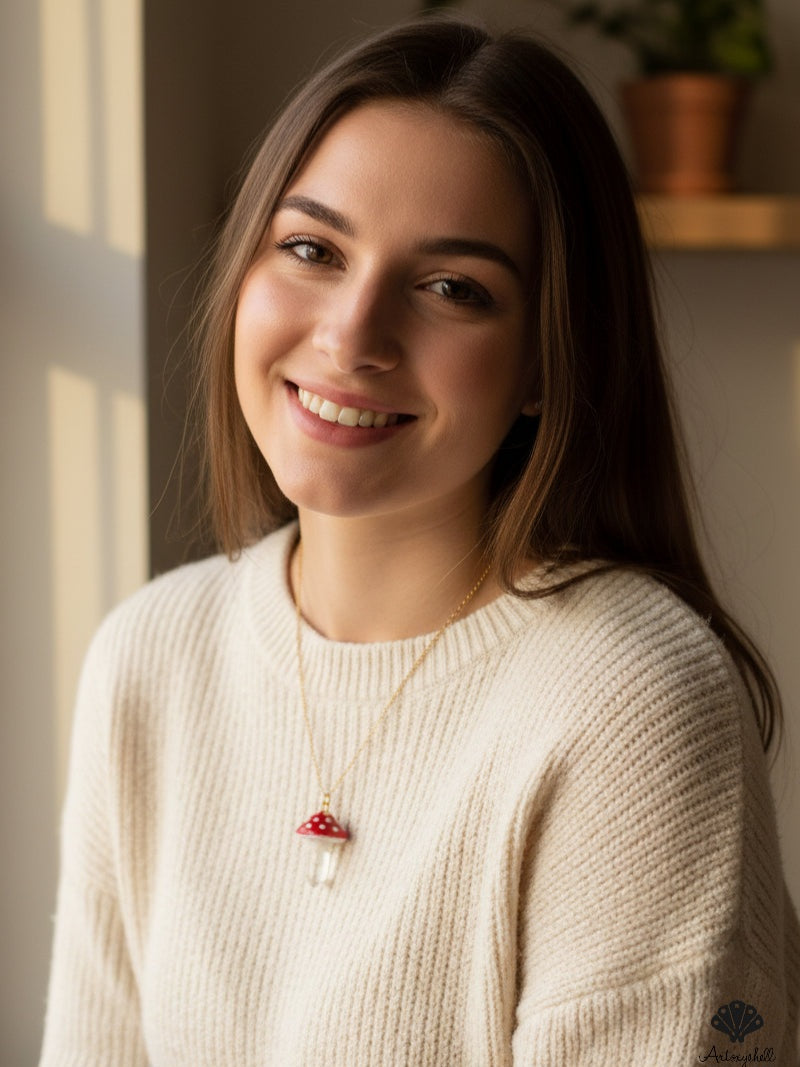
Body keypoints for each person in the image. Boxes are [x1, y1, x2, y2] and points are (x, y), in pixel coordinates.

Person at [40, 14, 799, 1066]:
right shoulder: (148, 654)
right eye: (310, 248)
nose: (350, 334)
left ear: (548, 357)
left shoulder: (629, 697)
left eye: (451, 288)